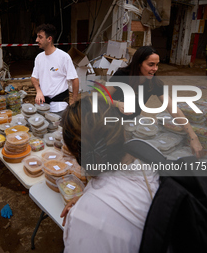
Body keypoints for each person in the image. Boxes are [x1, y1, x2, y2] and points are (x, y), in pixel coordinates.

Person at [60, 95, 159, 252]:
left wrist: (88, 203)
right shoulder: (149, 166)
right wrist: (87, 196)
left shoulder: (83, 218)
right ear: (122, 133)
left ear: (74, 153)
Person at [106, 46, 203, 158]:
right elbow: (101, 96)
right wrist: (118, 104)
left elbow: (173, 109)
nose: (155, 68)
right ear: (139, 63)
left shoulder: (154, 83)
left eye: (157, 65)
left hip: (131, 125)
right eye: (151, 64)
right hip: (109, 122)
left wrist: (193, 136)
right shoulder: (122, 75)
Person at [31, 24, 79, 115]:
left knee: (60, 128)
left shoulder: (63, 57)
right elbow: (33, 78)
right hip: (43, 106)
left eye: (40, 37)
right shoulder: (39, 58)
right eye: (37, 37)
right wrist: (38, 91)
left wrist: (73, 101)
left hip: (60, 107)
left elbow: (75, 79)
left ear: (49, 39)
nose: (37, 40)